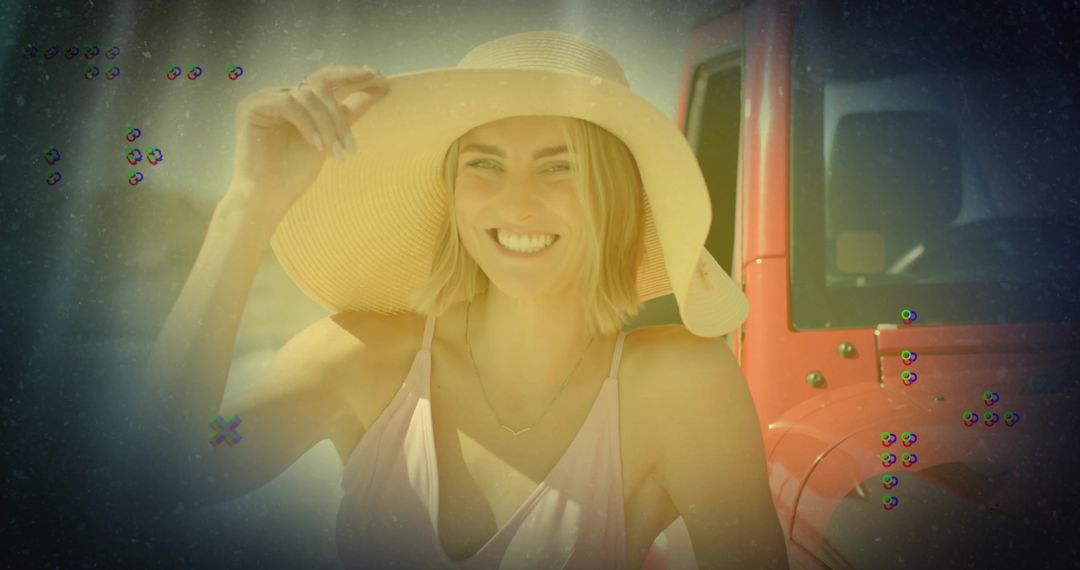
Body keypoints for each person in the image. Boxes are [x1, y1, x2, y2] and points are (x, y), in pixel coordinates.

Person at [137, 30, 787, 570]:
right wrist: (246, 207)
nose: (517, 202)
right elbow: (157, 475)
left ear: (615, 195)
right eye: (484, 163)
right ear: (451, 193)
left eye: (560, 165)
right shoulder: (360, 355)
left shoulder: (678, 386)